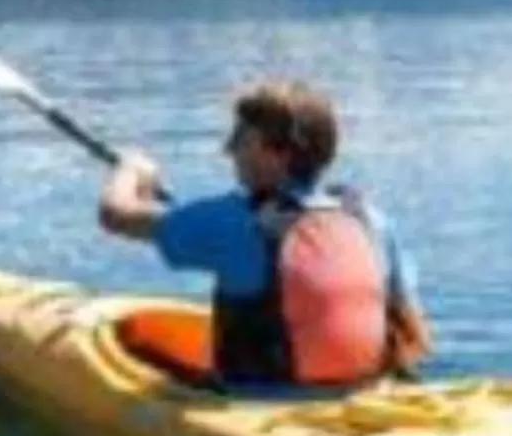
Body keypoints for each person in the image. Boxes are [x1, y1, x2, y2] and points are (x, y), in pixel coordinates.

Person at [97, 78, 431, 387]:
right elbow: (412, 332)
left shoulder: (235, 220)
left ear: (279, 154)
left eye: (241, 139)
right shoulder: (370, 220)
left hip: (262, 402)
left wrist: (131, 170)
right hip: (365, 394)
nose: (228, 150)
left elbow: (115, 214)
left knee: (140, 345)